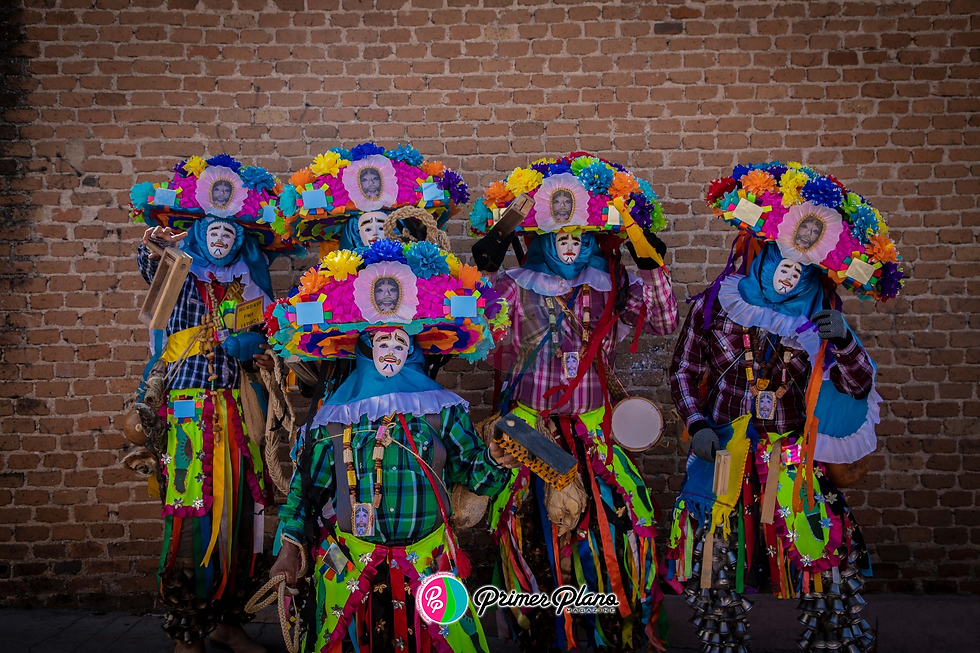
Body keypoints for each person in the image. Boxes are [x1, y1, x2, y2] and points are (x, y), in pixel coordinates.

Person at [666, 162, 904, 653]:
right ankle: (722, 645)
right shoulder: (717, 304)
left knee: (827, 562)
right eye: (783, 258)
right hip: (726, 453)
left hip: (793, 457)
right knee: (715, 564)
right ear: (763, 252)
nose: (790, 271)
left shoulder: (824, 320)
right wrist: (696, 422)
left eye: (803, 265)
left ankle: (834, 642)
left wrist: (844, 342)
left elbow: (858, 385)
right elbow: (684, 371)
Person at [264, 238, 518, 653]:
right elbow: (305, 492)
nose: (391, 351)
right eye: (381, 341)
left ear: (414, 348)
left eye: (401, 342)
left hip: (429, 566)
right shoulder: (333, 417)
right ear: (362, 346)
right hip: (350, 572)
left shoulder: (441, 409)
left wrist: (494, 458)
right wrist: (289, 548)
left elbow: (474, 472)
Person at [469, 154, 679, 652]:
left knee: (624, 524)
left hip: (591, 430)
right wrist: (500, 235)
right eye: (561, 235)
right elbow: (474, 325)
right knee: (527, 533)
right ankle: (537, 634)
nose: (571, 245)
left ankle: (611, 628)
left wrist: (645, 257)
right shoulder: (514, 288)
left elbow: (665, 321)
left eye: (581, 236)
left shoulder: (609, 286)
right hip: (528, 431)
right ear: (543, 238)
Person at [129, 155, 296, 653]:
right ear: (199, 232)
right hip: (186, 413)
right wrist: (156, 245)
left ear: (239, 237)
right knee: (192, 513)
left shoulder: (251, 282)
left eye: (229, 232)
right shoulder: (178, 273)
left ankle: (227, 621)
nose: (221, 239)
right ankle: (187, 631)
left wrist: (253, 345)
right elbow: (150, 264)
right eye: (212, 231)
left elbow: (271, 342)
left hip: (240, 414)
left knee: (242, 513)